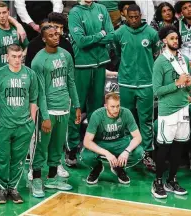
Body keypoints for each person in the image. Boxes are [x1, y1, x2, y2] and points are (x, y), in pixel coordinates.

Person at [30, 25, 81, 198]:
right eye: (51, 35)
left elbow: (71, 82)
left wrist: (77, 106)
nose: (55, 37)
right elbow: (40, 92)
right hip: (48, 109)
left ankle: (52, 177)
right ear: (44, 39)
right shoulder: (38, 61)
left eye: (56, 34)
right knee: (42, 146)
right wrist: (44, 116)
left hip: (64, 108)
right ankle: (36, 178)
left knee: (58, 146)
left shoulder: (65, 55)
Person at [67, 0, 114, 167]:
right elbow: (80, 41)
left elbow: (111, 34)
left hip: (100, 63)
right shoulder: (75, 13)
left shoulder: (101, 8)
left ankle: (93, 146)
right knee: (77, 107)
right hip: (81, 64)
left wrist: (97, 37)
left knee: (97, 108)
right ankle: (71, 147)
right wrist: (100, 35)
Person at [114, 4, 160, 171]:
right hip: (126, 83)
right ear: (125, 16)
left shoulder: (151, 33)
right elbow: (118, 52)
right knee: (126, 119)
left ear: (141, 15)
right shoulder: (119, 33)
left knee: (146, 120)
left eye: (136, 17)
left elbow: (155, 52)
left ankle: (148, 154)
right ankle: (128, 152)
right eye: (130, 17)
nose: (133, 20)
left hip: (146, 83)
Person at [0, 44, 38, 204]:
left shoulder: (30, 75)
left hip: (23, 125)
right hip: (2, 125)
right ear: (7, 57)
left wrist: (32, 122)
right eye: (13, 56)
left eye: (20, 56)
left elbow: (33, 100)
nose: (17, 60)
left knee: (19, 159)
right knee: (2, 158)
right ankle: (1, 188)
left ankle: (13, 188)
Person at [152, 25, 191, 199]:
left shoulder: (184, 60)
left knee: (178, 148)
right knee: (164, 148)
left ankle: (172, 180)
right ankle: (158, 181)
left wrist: (188, 83)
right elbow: (157, 91)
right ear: (164, 41)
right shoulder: (160, 61)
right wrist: (177, 83)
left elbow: (187, 85)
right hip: (167, 110)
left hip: (183, 108)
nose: (175, 41)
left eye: (177, 38)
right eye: (172, 38)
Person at [81, 93, 144, 184]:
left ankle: (119, 167)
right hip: (101, 143)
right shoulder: (97, 115)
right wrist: (107, 153)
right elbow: (87, 141)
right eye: (112, 106)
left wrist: (126, 151)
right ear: (106, 106)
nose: (116, 110)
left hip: (120, 142)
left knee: (139, 152)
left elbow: (138, 137)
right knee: (85, 156)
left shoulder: (126, 113)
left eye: (118, 106)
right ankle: (97, 167)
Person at [0, 1, 29, 70]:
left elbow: (28, 46)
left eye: (4, 12)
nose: (2, 16)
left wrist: (22, 55)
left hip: (17, 72)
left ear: (8, 13)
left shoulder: (17, 30)